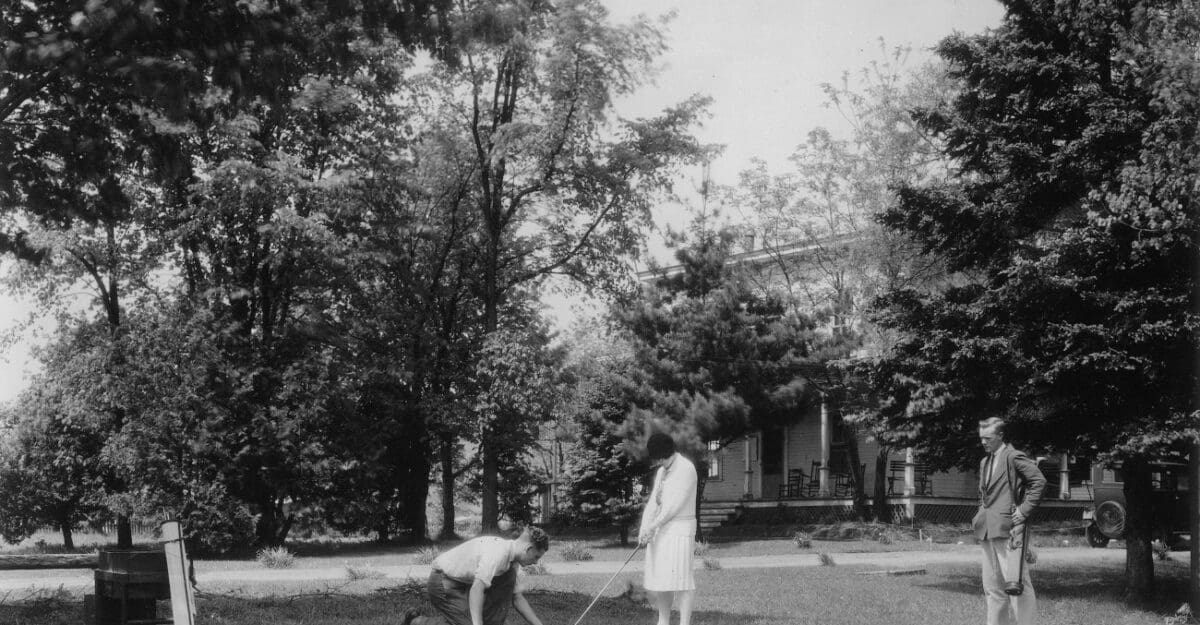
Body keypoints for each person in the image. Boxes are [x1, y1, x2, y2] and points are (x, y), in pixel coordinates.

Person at [973, 417, 1046, 625]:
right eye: (981, 438)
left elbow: (1039, 481)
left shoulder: (1013, 457)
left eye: (988, 438)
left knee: (1017, 584)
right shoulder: (984, 461)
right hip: (987, 529)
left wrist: (1023, 511)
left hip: (1009, 530)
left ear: (1001, 436)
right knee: (993, 589)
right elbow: (984, 495)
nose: (983, 442)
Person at [403, 526, 550, 625]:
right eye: (536, 556)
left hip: (461, 584)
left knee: (509, 579)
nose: (536, 562)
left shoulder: (513, 560)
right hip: (442, 582)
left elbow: (517, 597)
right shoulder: (498, 552)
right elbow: (476, 589)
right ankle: (417, 622)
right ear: (528, 548)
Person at [638, 432, 698, 625]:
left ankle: (684, 623)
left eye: (658, 457)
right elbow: (655, 503)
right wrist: (643, 528)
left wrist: (652, 526)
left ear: (664, 453)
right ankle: (663, 622)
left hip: (680, 530)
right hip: (661, 531)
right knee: (663, 580)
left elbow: (673, 507)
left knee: (682, 580)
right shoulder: (662, 471)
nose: (657, 461)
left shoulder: (686, 469)